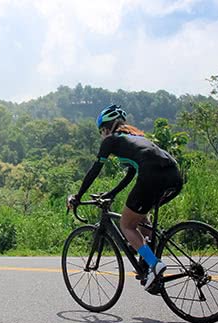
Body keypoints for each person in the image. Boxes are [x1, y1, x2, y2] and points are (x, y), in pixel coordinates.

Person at [67, 104, 183, 294]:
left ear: (106, 128)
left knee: (127, 225)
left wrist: (78, 196)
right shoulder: (136, 138)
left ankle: (154, 264)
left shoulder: (110, 140)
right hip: (174, 175)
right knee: (142, 218)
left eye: (101, 132)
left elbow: (95, 169)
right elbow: (130, 175)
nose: (101, 136)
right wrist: (111, 194)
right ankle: (148, 262)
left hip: (152, 175)